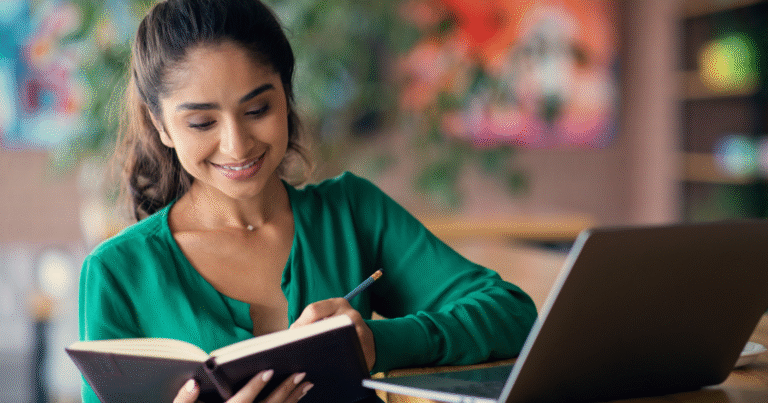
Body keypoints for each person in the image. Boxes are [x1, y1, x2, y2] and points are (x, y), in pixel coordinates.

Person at [77, 0, 538, 402]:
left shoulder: (352, 212)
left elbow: (513, 313)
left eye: (258, 110)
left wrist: (376, 343)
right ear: (161, 127)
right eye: (201, 123)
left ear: (286, 95)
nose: (236, 146)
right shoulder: (117, 273)